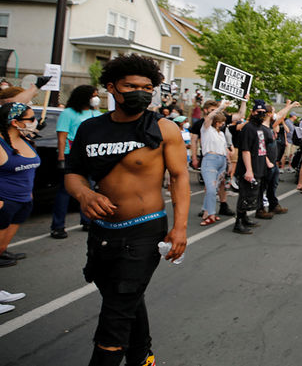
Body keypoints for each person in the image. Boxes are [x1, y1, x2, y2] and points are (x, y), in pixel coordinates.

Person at [64, 54, 189, 366]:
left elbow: (179, 177)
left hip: (144, 232)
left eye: (147, 87)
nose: (140, 92)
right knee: (121, 297)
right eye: (131, 85)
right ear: (111, 88)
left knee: (116, 315)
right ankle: (142, 355)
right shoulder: (90, 129)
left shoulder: (163, 129)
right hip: (102, 233)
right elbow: (72, 172)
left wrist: (180, 227)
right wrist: (83, 193)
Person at [51, 85, 103, 239]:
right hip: (70, 156)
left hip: (90, 156)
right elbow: (62, 137)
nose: (96, 97)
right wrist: (61, 157)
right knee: (65, 192)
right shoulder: (68, 113)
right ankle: (58, 226)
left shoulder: (96, 113)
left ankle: (87, 220)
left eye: (97, 95)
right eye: (93, 95)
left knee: (89, 189)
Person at [0, 102, 41, 267]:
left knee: (2, 248)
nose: (35, 121)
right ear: (15, 122)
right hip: (5, 203)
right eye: (31, 118)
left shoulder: (26, 139)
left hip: (23, 202)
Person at [233, 100, 272, 234]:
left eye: (263, 113)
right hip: (248, 168)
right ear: (253, 112)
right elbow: (245, 150)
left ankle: (244, 218)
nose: (260, 115)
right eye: (258, 112)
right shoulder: (248, 128)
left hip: (259, 166)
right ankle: (238, 222)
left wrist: (266, 162)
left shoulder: (261, 128)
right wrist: (249, 170)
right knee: (245, 195)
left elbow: (261, 148)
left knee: (252, 195)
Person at [198, 100, 231, 226]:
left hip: (221, 161)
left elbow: (225, 149)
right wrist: (221, 107)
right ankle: (211, 214)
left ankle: (207, 212)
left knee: (215, 188)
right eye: (221, 121)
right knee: (211, 189)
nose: (222, 124)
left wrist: (229, 162)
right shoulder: (206, 129)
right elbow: (209, 117)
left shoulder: (221, 133)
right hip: (210, 160)